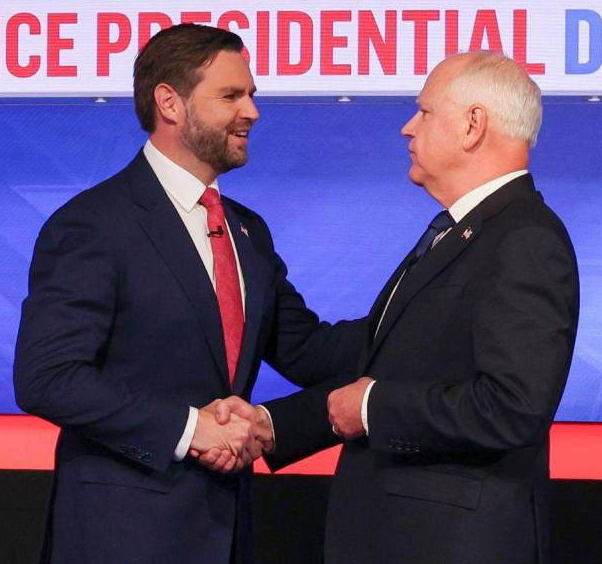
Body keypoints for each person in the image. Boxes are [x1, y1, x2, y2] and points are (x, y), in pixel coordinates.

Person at [13, 24, 357, 564]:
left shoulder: (248, 231)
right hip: (120, 538)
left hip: (225, 531)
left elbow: (307, 350)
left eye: (252, 95)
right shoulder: (94, 224)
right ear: (169, 103)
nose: (252, 112)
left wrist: (415, 316)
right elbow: (48, 379)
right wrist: (191, 428)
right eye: (231, 95)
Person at [221, 51, 579, 563]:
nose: (408, 128)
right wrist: (270, 425)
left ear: (473, 125)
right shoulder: (460, 235)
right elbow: (373, 357)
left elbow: (512, 408)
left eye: (425, 112)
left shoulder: (523, 239)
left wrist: (370, 408)